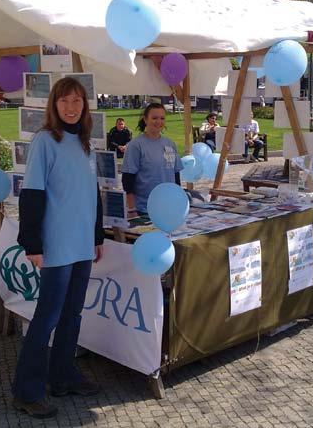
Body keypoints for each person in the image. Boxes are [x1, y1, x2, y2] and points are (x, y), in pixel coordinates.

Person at [12, 77, 104, 419]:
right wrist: (32, 242)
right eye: (65, 101)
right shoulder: (44, 141)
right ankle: (26, 390)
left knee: (72, 315)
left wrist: (97, 236)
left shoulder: (85, 143)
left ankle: (63, 376)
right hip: (56, 246)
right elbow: (32, 194)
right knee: (46, 318)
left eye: (77, 101)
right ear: (54, 104)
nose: (71, 107)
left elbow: (91, 194)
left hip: (82, 244)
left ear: (84, 105)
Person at [121, 103, 183, 214]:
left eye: (162, 118)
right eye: (154, 118)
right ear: (145, 119)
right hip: (144, 209)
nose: (159, 122)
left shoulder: (170, 144)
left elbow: (175, 175)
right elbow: (128, 179)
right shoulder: (136, 145)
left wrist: (178, 200)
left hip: (169, 207)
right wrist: (131, 208)